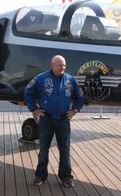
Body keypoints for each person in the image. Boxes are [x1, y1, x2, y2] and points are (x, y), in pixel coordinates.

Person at [24, 55, 84, 187]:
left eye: (63, 65)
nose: (62, 67)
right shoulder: (40, 78)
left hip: (63, 120)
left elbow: (80, 96)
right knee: (44, 149)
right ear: (52, 65)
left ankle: (66, 177)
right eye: (59, 65)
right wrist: (34, 109)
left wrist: (75, 110)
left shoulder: (71, 80)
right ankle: (40, 176)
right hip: (46, 119)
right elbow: (27, 92)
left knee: (65, 150)